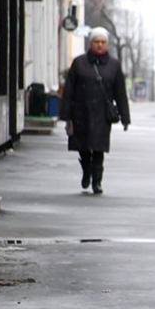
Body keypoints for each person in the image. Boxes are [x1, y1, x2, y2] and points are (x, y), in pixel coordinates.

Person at [59, 26, 131, 194]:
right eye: (96, 42)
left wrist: (125, 118)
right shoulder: (79, 63)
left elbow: (120, 94)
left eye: (103, 42)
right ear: (91, 43)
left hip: (101, 115)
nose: (99, 45)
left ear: (107, 44)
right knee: (83, 146)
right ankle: (86, 171)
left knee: (99, 148)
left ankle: (97, 181)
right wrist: (66, 114)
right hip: (81, 113)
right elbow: (69, 90)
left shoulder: (113, 66)